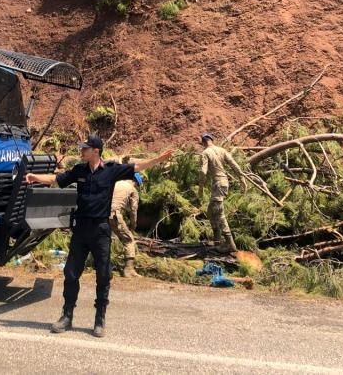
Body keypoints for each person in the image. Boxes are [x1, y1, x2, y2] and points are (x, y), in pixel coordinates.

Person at [25, 135, 173, 338]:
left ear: (96, 151)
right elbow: (56, 180)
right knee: (70, 273)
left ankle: (99, 319)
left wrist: (158, 159)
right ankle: (66, 316)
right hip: (81, 230)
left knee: (103, 276)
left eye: (85, 149)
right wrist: (35, 177)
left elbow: (136, 167)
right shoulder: (79, 171)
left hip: (101, 230)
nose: (81, 151)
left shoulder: (111, 170)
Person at [197, 133, 244, 254]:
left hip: (218, 184)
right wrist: (241, 178)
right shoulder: (222, 150)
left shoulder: (205, 153)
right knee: (210, 211)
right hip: (222, 184)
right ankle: (217, 241)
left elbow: (203, 171)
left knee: (218, 212)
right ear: (212, 140)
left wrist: (200, 187)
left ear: (203, 142)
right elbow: (234, 164)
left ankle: (230, 244)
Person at [110, 170, 142, 278]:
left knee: (104, 239)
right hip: (113, 214)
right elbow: (133, 210)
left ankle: (104, 266)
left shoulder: (116, 183)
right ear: (136, 183)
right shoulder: (132, 189)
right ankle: (129, 269)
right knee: (129, 240)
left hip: (99, 213)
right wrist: (133, 225)